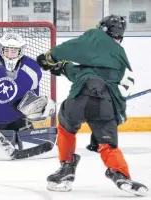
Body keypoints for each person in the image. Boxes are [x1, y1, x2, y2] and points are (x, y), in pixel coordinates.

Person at [36, 15, 148, 195]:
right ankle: (120, 173)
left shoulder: (96, 37)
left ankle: (67, 167)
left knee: (66, 126)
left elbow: (75, 52)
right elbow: (117, 87)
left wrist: (51, 59)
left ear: (102, 28)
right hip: (106, 106)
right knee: (108, 144)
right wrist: (63, 68)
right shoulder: (121, 59)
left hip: (80, 101)